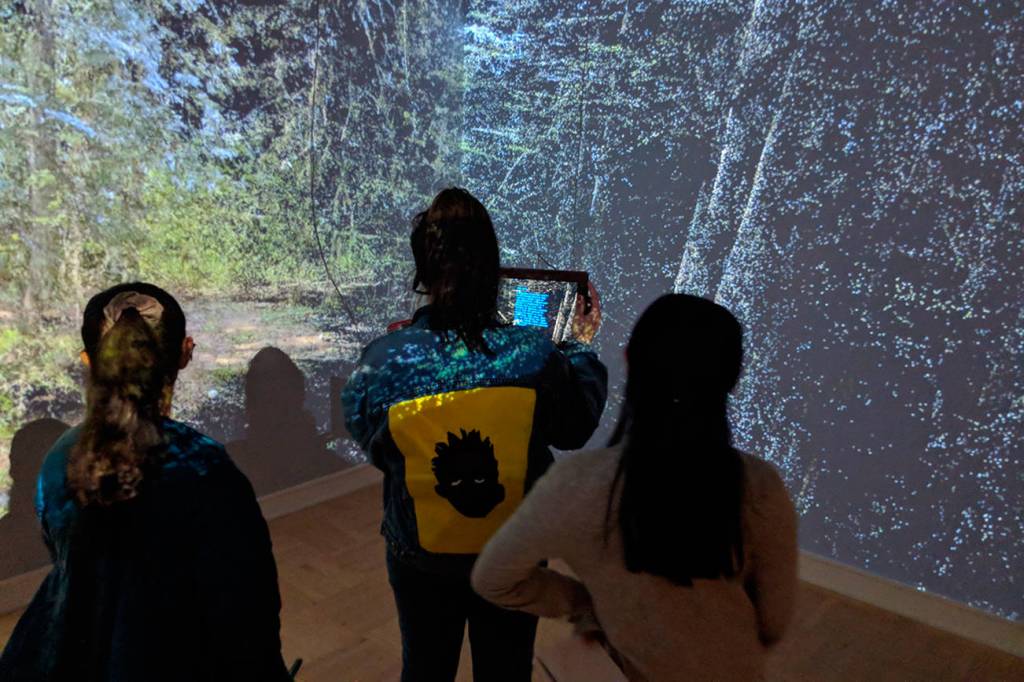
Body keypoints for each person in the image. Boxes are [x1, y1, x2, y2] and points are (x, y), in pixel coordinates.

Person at [342, 187, 608, 681]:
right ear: (494, 268)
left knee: (424, 666)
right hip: (511, 555)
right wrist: (580, 346)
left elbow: (375, 442)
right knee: (506, 670)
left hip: (417, 554)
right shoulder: (532, 353)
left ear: (422, 270)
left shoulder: (382, 361)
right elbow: (575, 426)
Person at [471, 294, 798, 682]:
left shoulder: (576, 484)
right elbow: (774, 621)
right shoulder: (762, 488)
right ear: (732, 377)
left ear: (628, 360)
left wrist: (587, 604)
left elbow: (493, 577)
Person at [0, 283, 292, 682]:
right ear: (185, 353)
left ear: (88, 361)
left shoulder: (58, 458)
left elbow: (62, 551)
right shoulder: (207, 468)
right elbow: (248, 605)